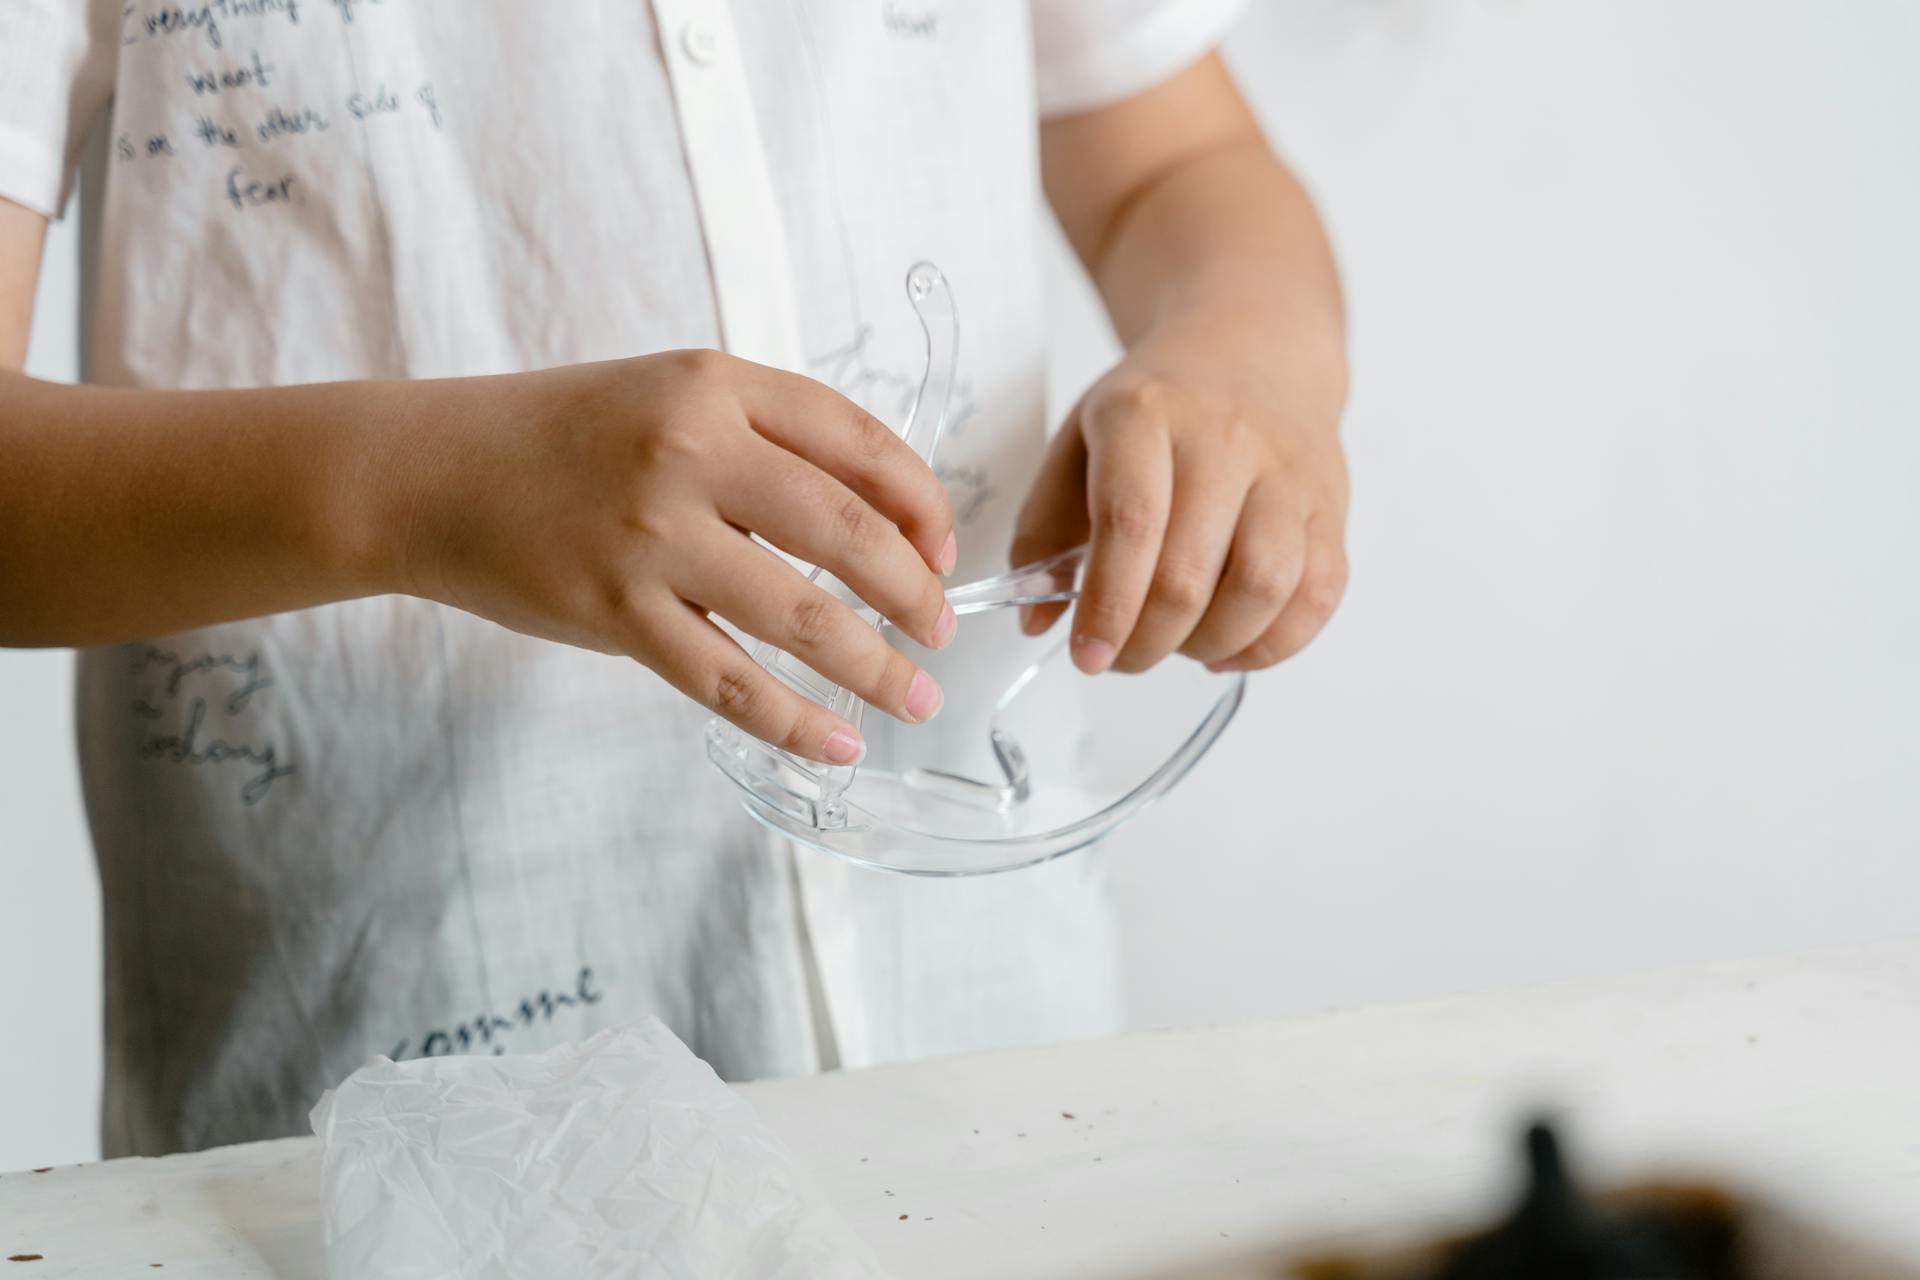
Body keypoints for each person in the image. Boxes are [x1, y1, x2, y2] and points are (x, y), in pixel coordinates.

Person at [0, 0, 1349, 1157]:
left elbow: (1176, 162)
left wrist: (1244, 357)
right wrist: (437, 484)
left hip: (999, 1080)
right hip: (402, 1153)